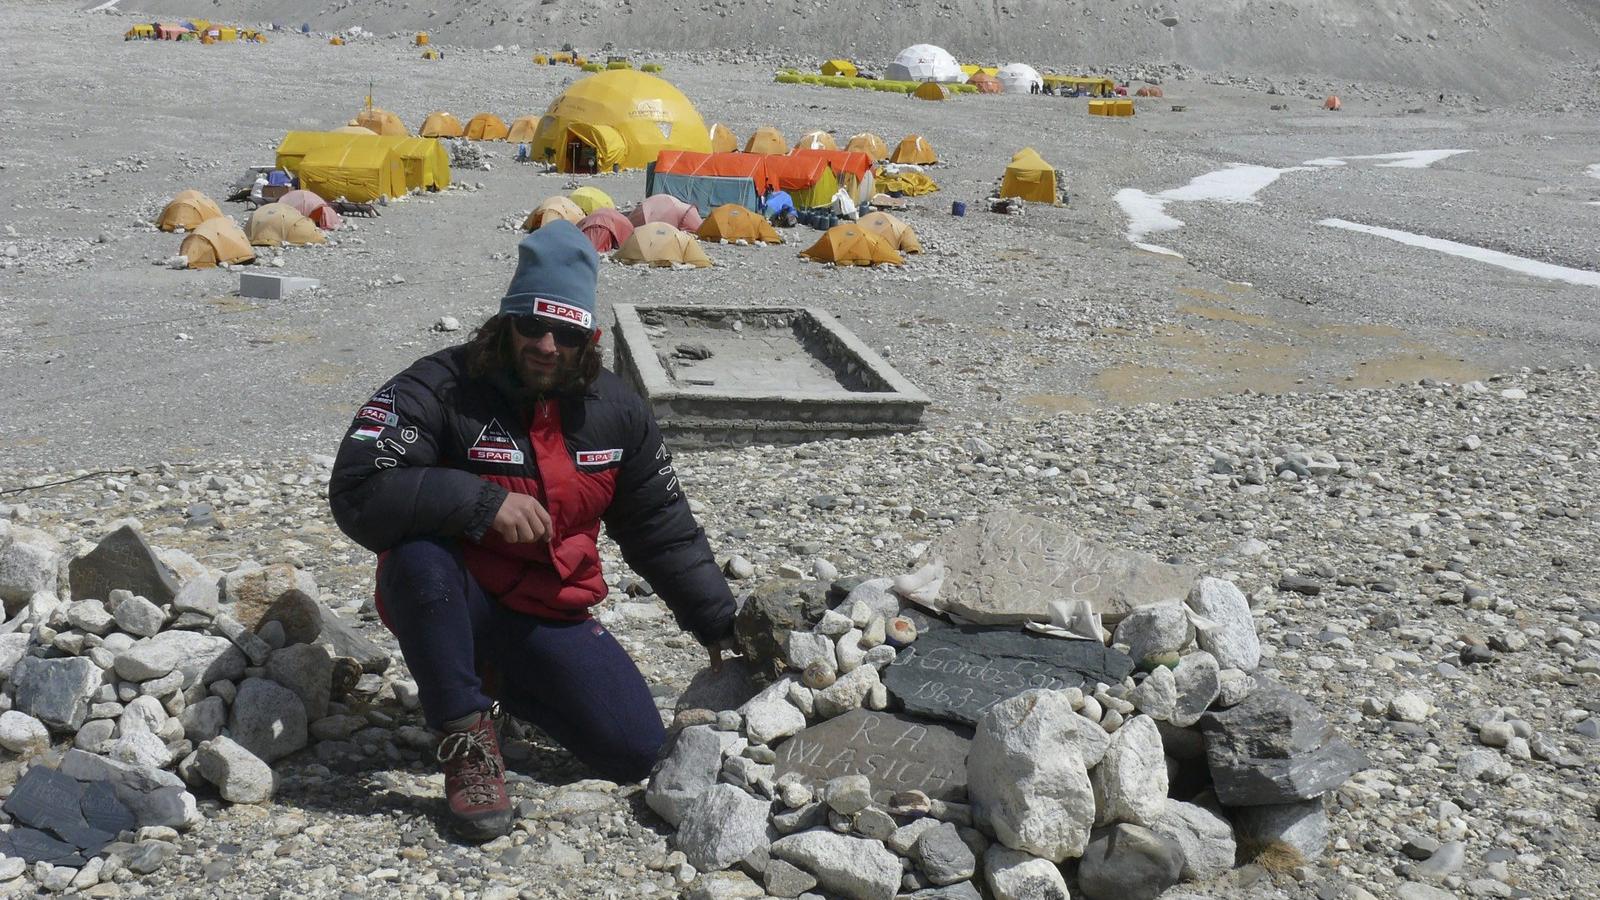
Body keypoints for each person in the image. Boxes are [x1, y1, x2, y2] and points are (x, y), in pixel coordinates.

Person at [327, 222, 738, 843]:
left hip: (548, 610)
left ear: (589, 338)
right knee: (416, 558)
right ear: (506, 321)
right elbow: (357, 487)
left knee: (637, 753)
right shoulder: (436, 387)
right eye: (532, 326)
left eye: (567, 332)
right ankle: (467, 741)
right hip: (454, 597)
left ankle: (499, 680)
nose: (547, 345)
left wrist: (721, 627)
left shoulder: (618, 411)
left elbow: (661, 528)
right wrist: (477, 501)